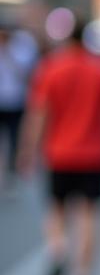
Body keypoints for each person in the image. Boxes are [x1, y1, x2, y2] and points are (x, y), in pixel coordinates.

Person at [18, 15, 100, 275]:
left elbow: (39, 114)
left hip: (59, 153)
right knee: (90, 214)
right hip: (94, 153)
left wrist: (28, 150)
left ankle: (58, 249)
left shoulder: (50, 68)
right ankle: (84, 274)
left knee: (56, 209)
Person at [0, 21, 37, 192]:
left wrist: (7, 52)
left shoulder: (22, 47)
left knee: (14, 138)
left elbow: (26, 74)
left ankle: (11, 173)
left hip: (15, 102)